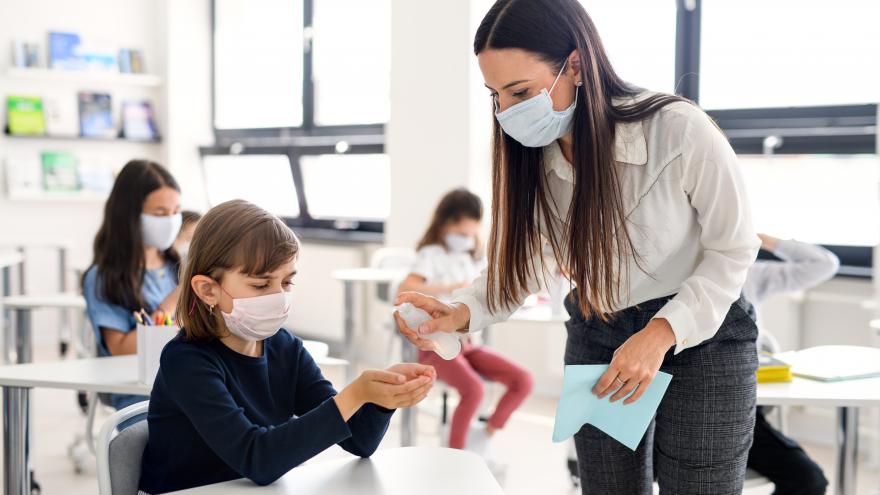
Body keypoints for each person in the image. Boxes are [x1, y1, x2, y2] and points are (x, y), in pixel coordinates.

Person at [394, 1, 761, 493]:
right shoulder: (535, 156)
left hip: (704, 336)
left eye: (520, 91)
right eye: (495, 95)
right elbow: (521, 268)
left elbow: (733, 248)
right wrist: (458, 312)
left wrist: (658, 334)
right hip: (599, 328)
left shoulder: (678, 128)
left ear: (577, 65)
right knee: (608, 486)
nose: (506, 112)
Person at [139, 200, 436, 494]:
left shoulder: (284, 347)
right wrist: (354, 394)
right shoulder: (186, 361)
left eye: (287, 282)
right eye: (261, 285)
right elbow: (258, 460)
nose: (279, 297)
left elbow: (359, 441)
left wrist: (381, 396)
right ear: (208, 290)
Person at [398, 188, 533, 458]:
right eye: (461, 234)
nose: (466, 240)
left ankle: (484, 436)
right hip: (437, 347)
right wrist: (451, 288)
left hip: (469, 344)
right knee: (474, 389)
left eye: (471, 235)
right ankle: (455, 458)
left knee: (523, 380)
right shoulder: (431, 254)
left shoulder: (474, 257)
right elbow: (406, 286)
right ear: (445, 224)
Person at [82, 159, 182, 414]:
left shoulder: (178, 266)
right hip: (141, 396)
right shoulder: (104, 277)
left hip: (188, 382)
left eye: (175, 211)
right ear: (130, 215)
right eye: (160, 213)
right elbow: (122, 349)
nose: (170, 221)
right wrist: (170, 304)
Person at [743, 233, 838, 495]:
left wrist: (762, 238)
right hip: (670, 417)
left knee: (809, 481)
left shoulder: (751, 274)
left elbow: (824, 264)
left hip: (744, 417)